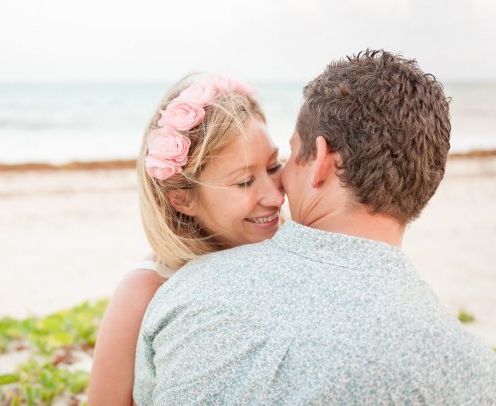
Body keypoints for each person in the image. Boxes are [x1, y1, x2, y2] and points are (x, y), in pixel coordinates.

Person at [133, 50, 496, 404]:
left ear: (321, 160)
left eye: (287, 157)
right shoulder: (473, 372)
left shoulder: (184, 293)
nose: (278, 188)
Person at [88, 74, 285, 405]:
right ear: (183, 199)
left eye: (274, 165)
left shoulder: (294, 253)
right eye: (245, 181)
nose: (275, 197)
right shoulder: (145, 291)